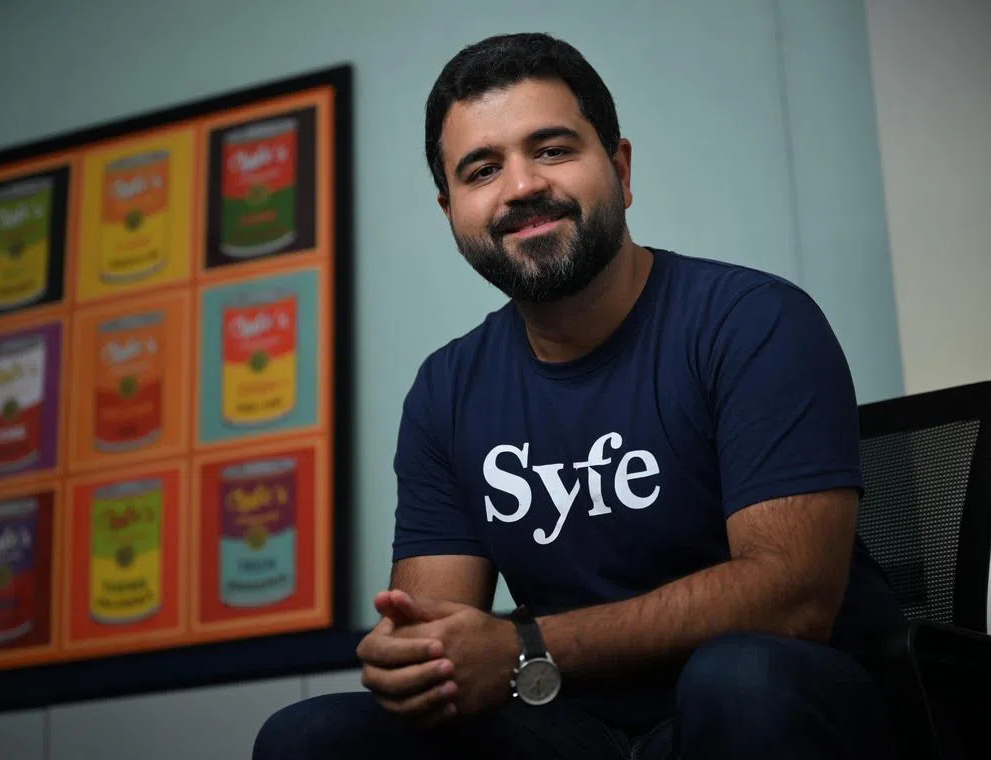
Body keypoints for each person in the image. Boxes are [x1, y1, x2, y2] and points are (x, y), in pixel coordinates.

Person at [254, 32, 906, 759]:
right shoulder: (447, 390)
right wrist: (414, 661)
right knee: (310, 736)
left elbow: (793, 599)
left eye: (553, 149)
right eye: (482, 170)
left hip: (787, 709)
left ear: (621, 170)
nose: (522, 185)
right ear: (451, 213)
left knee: (737, 677)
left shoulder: (753, 321)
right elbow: (437, 633)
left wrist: (523, 645)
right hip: (577, 728)